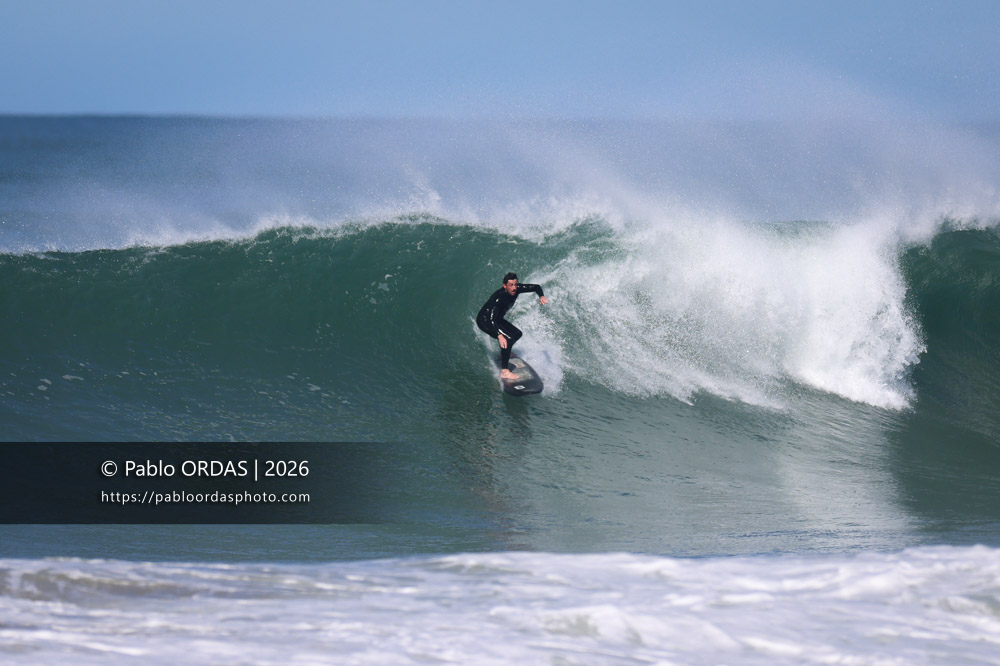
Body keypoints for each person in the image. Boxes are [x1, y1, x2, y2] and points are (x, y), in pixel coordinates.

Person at [477, 272, 549, 380]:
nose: (514, 288)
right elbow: (491, 319)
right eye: (511, 285)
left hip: (497, 319)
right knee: (507, 338)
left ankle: (503, 353)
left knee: (517, 334)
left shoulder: (517, 289)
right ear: (504, 286)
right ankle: (505, 371)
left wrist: (541, 296)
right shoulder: (499, 298)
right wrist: (499, 335)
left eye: (515, 284)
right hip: (485, 321)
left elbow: (536, 287)